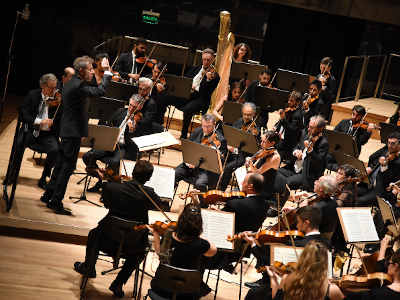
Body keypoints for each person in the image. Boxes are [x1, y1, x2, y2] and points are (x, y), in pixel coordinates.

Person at [74, 160, 169, 298]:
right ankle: (118, 283)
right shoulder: (149, 194)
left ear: (132, 172)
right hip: (132, 246)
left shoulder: (112, 187)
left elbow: (106, 204)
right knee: (142, 251)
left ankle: (88, 267)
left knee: (94, 234)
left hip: (107, 241)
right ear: (148, 178)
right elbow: (160, 206)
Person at [39, 55, 112, 215]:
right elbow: (100, 91)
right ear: (81, 71)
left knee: (60, 165)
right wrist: (106, 73)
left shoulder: (72, 82)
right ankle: (56, 201)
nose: (93, 72)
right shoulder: (78, 86)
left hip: (67, 130)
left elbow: (92, 87)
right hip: (72, 132)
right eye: (91, 69)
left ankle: (48, 194)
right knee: (67, 167)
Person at [83, 78, 159, 193]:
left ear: (140, 107)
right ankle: (101, 176)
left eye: (134, 107)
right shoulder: (120, 111)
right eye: (130, 105)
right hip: (110, 143)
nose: (131, 109)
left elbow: (137, 141)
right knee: (87, 156)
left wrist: (133, 129)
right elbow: (108, 125)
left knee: (114, 162)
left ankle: (106, 185)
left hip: (124, 147)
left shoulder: (140, 121)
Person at [244, 206, 330, 297]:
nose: (296, 225)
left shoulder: (297, 245)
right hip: (319, 290)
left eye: (298, 222)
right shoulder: (327, 242)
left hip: (295, 289)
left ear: (306, 223)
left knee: (252, 294)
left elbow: (268, 263)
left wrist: (253, 244)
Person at [202, 173, 268, 277]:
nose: (241, 183)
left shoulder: (236, 204)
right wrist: (222, 212)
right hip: (241, 252)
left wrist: (214, 213)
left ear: (250, 186)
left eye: (244, 181)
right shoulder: (265, 205)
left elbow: (218, 225)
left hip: (222, 252)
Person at [149, 203, 217, 299]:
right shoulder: (202, 244)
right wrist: (199, 234)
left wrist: (155, 234)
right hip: (188, 294)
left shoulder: (168, 235)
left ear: (180, 220)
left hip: (161, 287)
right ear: (199, 224)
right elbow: (213, 251)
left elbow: (159, 253)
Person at [162, 48, 220, 139]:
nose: (206, 62)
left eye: (208, 60)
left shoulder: (215, 76)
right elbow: (185, 80)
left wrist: (208, 80)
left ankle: (184, 135)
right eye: (204, 59)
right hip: (186, 95)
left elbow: (206, 93)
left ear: (212, 60)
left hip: (200, 99)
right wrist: (187, 87)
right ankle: (160, 125)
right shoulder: (195, 69)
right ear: (202, 58)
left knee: (188, 109)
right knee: (165, 98)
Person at [16, 73, 61, 189]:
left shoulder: (57, 101)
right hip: (31, 131)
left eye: (55, 87)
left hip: (47, 135)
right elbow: (23, 115)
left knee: (55, 150)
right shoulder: (33, 95)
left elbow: (60, 120)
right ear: (43, 86)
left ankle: (44, 178)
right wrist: (39, 121)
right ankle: (12, 174)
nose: (53, 91)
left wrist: (53, 122)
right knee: (18, 144)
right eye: (51, 88)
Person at [267, 241, 344, 300]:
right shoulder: (332, 290)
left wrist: (273, 279)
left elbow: (276, 298)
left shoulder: (286, 279)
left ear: (303, 258)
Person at [174, 113, 227, 195]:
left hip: (206, 170)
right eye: (204, 126)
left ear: (214, 124)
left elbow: (221, 161)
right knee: (174, 174)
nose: (206, 129)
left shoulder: (221, 139)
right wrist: (188, 161)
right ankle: (167, 199)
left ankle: (203, 205)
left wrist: (217, 154)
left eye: (209, 126)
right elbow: (188, 149)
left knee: (200, 184)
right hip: (191, 165)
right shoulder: (197, 131)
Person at [280, 115, 329, 192]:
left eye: (312, 128)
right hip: (294, 168)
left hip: (306, 175)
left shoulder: (323, 143)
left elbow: (319, 163)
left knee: (286, 183)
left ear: (320, 129)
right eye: (309, 126)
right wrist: (296, 152)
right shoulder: (305, 134)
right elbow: (297, 146)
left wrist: (310, 151)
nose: (309, 129)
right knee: (275, 173)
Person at [218, 102, 260, 191]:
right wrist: (229, 144)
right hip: (230, 152)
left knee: (228, 168)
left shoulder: (255, 129)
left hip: (242, 156)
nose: (246, 117)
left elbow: (252, 149)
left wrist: (235, 150)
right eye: (244, 114)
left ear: (253, 114)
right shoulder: (238, 121)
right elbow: (231, 136)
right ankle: (213, 185)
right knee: (218, 160)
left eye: (249, 115)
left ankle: (221, 190)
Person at [274, 90, 304, 161]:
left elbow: (291, 129)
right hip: (281, 138)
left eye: (291, 101)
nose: (288, 102)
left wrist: (283, 119)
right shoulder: (288, 110)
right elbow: (281, 123)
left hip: (288, 143)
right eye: (289, 100)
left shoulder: (298, 115)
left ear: (298, 102)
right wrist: (276, 127)